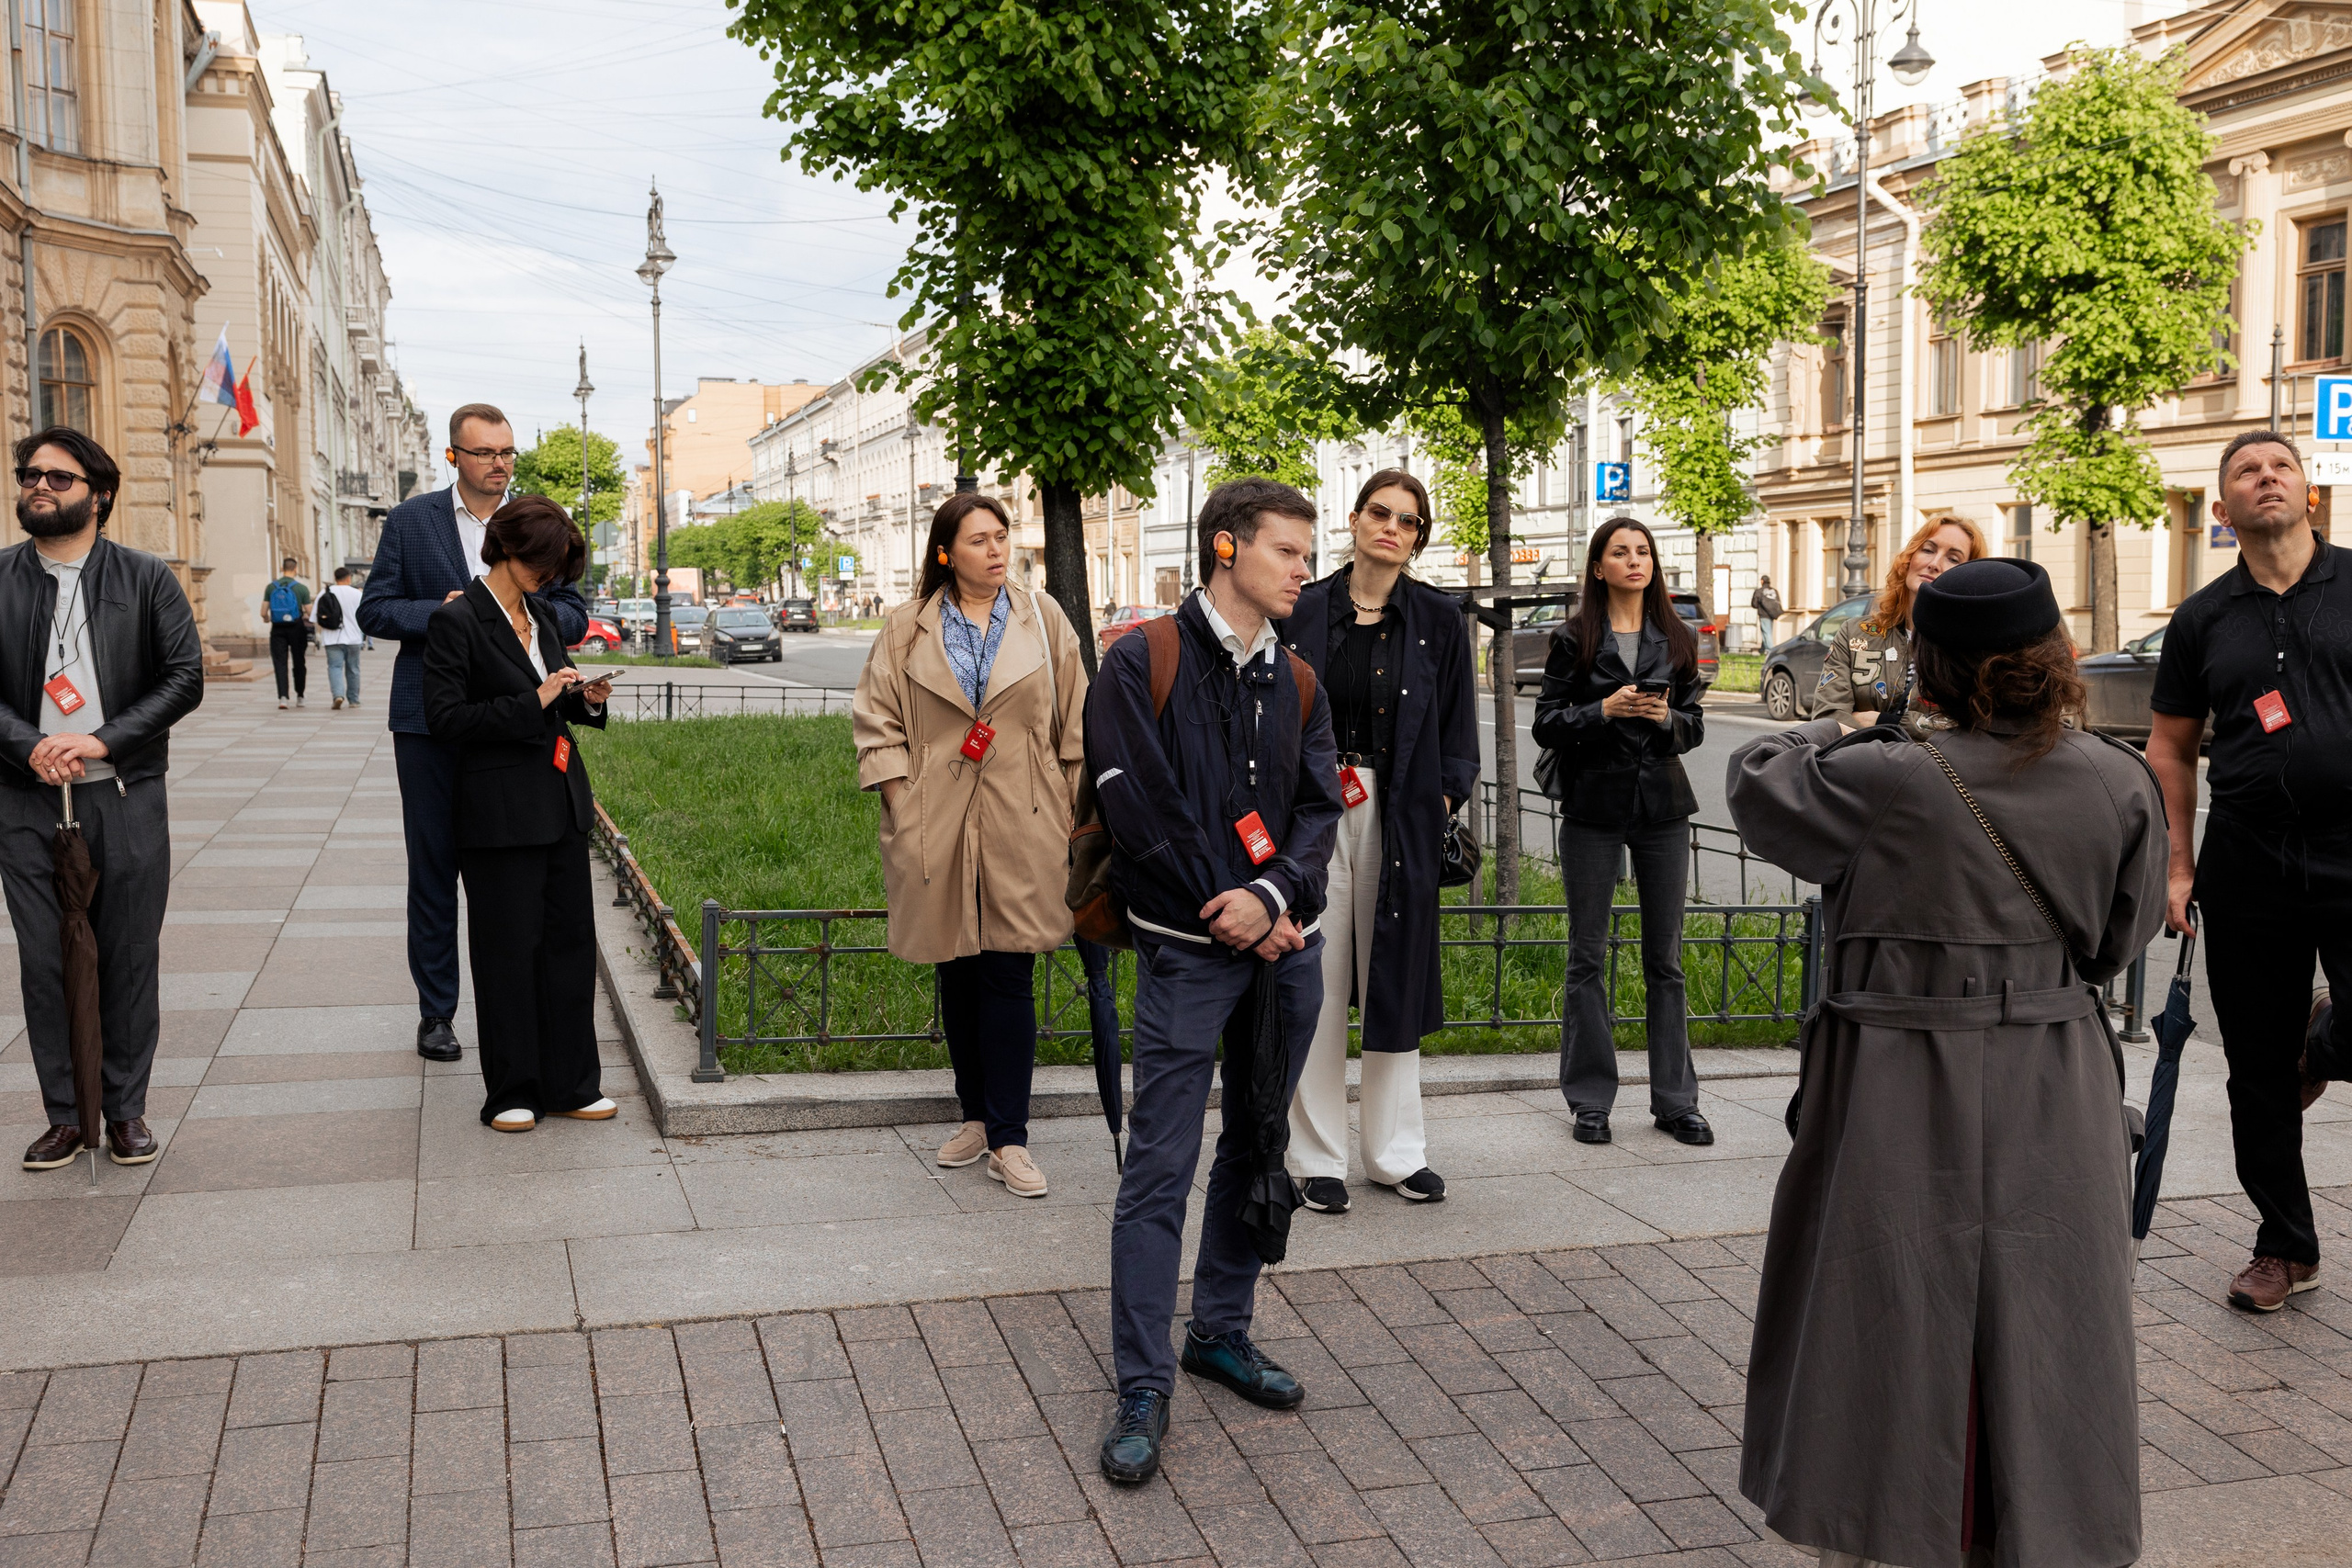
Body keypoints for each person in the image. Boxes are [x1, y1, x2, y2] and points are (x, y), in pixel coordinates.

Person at [1727, 558, 2165, 1568]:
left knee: (1883, 1306)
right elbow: (2118, 940)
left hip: (1895, 1074)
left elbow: (1758, 786)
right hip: (2052, 1071)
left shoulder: (1881, 776)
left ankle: (1882, 1529)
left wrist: (1843, 723)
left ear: (1928, 662)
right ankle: (2042, 1532)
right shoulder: (2118, 778)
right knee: (2054, 1321)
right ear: (2057, 657)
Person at [1086, 477, 1341, 1486]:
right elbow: (1136, 805)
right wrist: (1229, 906)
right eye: (1287, 550)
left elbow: (1321, 810)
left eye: (1306, 552)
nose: (1302, 569)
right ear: (1227, 549)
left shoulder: (1300, 681)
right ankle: (1143, 1380)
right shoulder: (1138, 659)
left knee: (1255, 1146)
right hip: (1191, 951)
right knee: (1159, 1168)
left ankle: (1220, 1332)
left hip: (1282, 954)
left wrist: (1273, 899)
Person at [2148, 429, 2352, 1313]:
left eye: (2281, 467)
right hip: (2248, 858)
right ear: (2223, 511)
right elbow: (2171, 748)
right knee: (2255, 1067)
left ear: (2308, 493)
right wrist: (2178, 867)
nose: (2265, 478)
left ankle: (2325, 1041)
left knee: (2299, 1050)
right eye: (2245, 472)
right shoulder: (2201, 619)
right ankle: (2284, 1245)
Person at [852, 492, 1088, 1198]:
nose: (995, 548)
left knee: (1011, 969)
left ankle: (1011, 1139)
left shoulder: (1044, 620)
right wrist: (902, 798)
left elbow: (1077, 720)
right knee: (955, 966)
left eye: (1002, 535)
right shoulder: (904, 627)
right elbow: (876, 719)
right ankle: (976, 1116)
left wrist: (1071, 809)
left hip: (1026, 813)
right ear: (945, 552)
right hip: (938, 817)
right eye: (978, 539)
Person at [359, 404, 587, 1065]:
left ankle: (518, 1012)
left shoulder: (538, 522)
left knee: (513, 867)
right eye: (485, 452)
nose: (500, 464)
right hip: (431, 720)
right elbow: (376, 607)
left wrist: (505, 607)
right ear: (453, 456)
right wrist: (445, 614)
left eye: (508, 452)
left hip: (521, 718)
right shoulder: (410, 521)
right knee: (433, 864)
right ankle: (437, 1012)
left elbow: (573, 607)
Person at [1276, 468, 1477, 1211]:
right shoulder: (1305, 609)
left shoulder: (1438, 617)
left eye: (1409, 521)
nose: (1393, 528)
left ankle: (1395, 1155)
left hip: (1400, 814)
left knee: (1394, 978)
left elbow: (1458, 729)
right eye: (1380, 513)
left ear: (1418, 537)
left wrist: (1442, 796)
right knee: (1316, 980)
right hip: (1313, 814)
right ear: (1355, 520)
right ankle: (1316, 1155)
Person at [5, 427, 204, 1170]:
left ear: (100, 494)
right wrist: (28, 742)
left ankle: (124, 1111)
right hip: (25, 799)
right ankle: (65, 1114)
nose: (40, 487)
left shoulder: (147, 578)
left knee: (125, 954)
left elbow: (184, 677)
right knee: (44, 961)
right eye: (31, 475)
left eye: (59, 477)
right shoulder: (0, 577)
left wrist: (103, 739)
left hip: (123, 793)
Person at [423, 495, 616, 1133]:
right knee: (507, 953)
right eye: (542, 560)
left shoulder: (542, 613)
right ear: (506, 545)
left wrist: (583, 698)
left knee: (568, 946)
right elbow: (445, 720)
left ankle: (571, 1082)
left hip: (560, 802)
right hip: (498, 815)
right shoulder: (458, 621)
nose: (549, 575)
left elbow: (555, 703)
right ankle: (512, 1089)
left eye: (558, 565)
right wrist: (533, 698)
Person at [1532, 516, 1711, 1148]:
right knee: (1587, 955)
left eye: (1643, 551)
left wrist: (1666, 717)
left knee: (1665, 958)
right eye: (1620, 551)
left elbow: (1694, 725)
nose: (1634, 560)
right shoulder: (1573, 637)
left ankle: (1676, 1101)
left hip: (1662, 805)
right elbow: (1547, 723)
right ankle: (1590, 1101)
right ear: (1599, 566)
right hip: (1593, 805)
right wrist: (1602, 710)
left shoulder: (1678, 636)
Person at [1815, 515, 1987, 735]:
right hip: (1858, 767)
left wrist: (1886, 722)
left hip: (1928, 769)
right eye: (1927, 549)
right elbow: (1827, 719)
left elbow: (1969, 729)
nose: (1934, 564)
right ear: (1909, 559)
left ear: (1968, 577)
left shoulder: (1972, 651)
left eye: (1953, 559)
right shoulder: (1854, 634)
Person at [265, 555, 312, 710]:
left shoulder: (271, 587)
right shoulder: (302, 588)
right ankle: (300, 696)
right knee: (299, 661)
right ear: (296, 569)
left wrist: (267, 618)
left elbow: (263, 611)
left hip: (277, 628)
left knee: (280, 662)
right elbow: (310, 612)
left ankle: (283, 698)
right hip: (296, 627)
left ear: (282, 568)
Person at [319, 565, 365, 710]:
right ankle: (354, 700)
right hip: (353, 637)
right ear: (349, 578)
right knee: (353, 669)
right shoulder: (357, 594)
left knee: (334, 667)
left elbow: (316, 616)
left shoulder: (325, 593)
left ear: (335, 578)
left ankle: (338, 695)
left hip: (332, 638)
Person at [1751, 573, 1783, 644]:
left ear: (1762, 581)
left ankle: (1769, 650)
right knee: (1768, 631)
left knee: (1766, 632)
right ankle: (1763, 649)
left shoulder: (1759, 591)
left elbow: (1754, 604)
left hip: (1764, 614)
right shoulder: (1774, 591)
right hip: (1772, 614)